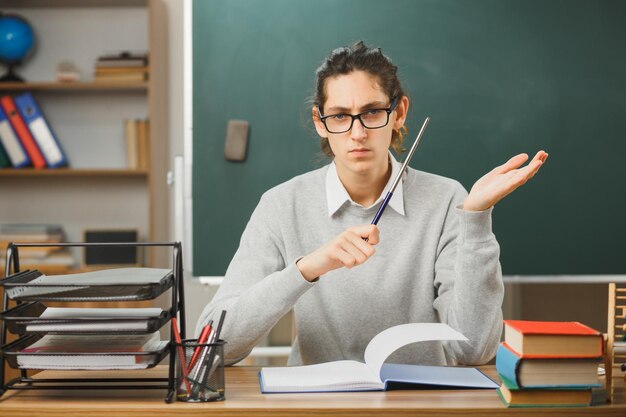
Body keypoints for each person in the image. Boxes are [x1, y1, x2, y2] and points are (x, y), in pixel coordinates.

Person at [196, 41, 548, 367]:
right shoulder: (281, 205)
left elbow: (474, 350)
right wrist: (306, 269)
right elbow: (211, 344)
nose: (357, 132)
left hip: (422, 404)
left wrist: (476, 219)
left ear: (399, 113)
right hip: (315, 407)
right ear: (320, 123)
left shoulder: (447, 201)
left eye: (372, 112)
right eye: (339, 116)